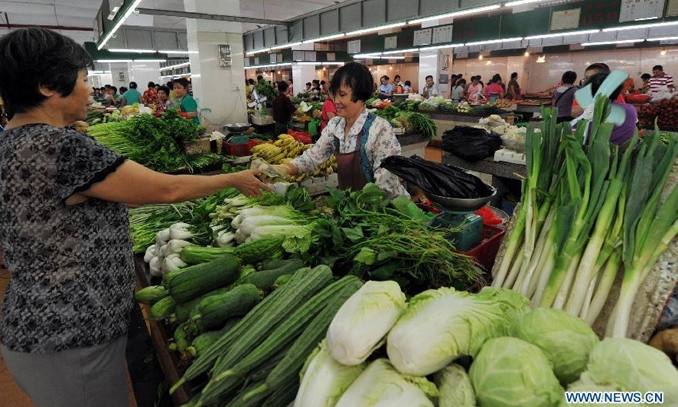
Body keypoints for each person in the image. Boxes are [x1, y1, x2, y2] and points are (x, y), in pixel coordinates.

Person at [0, 27, 269, 407]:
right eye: (83, 79)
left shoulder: (10, 141)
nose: (90, 90)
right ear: (47, 85)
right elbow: (166, 190)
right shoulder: (62, 147)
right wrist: (234, 179)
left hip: (37, 324)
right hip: (73, 331)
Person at [273, 62, 409, 198]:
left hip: (382, 209)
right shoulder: (335, 126)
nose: (336, 101)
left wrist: (362, 209)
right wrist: (284, 169)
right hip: (352, 205)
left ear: (361, 95)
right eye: (334, 94)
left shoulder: (380, 129)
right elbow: (313, 157)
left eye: (342, 95)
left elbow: (386, 185)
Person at [588, 72, 637, 146]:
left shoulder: (589, 114)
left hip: (596, 156)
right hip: (625, 155)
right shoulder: (630, 109)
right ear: (619, 90)